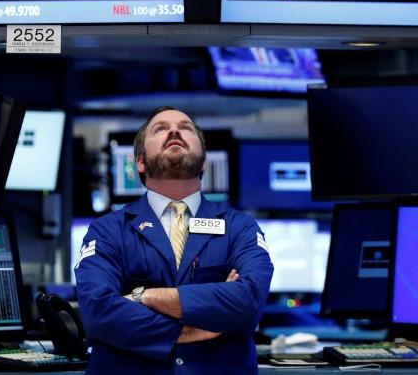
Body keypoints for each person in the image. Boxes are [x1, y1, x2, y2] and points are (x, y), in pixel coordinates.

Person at [75, 106, 274, 374]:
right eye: (160, 129)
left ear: (204, 161)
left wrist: (142, 296)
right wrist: (192, 328)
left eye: (186, 128)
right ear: (140, 162)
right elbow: (98, 312)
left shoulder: (239, 227)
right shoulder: (107, 230)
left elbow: (248, 302)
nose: (174, 131)